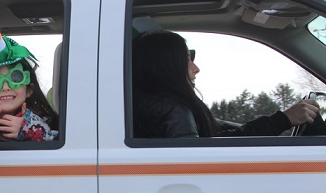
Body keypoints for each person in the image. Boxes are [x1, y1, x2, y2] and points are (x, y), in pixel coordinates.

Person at [132, 30, 319, 138]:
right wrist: (283, 120)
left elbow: (222, 134)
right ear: (166, 66)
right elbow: (201, 157)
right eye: (187, 59)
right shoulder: (173, 111)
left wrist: (281, 120)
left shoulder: (155, 108)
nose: (196, 68)